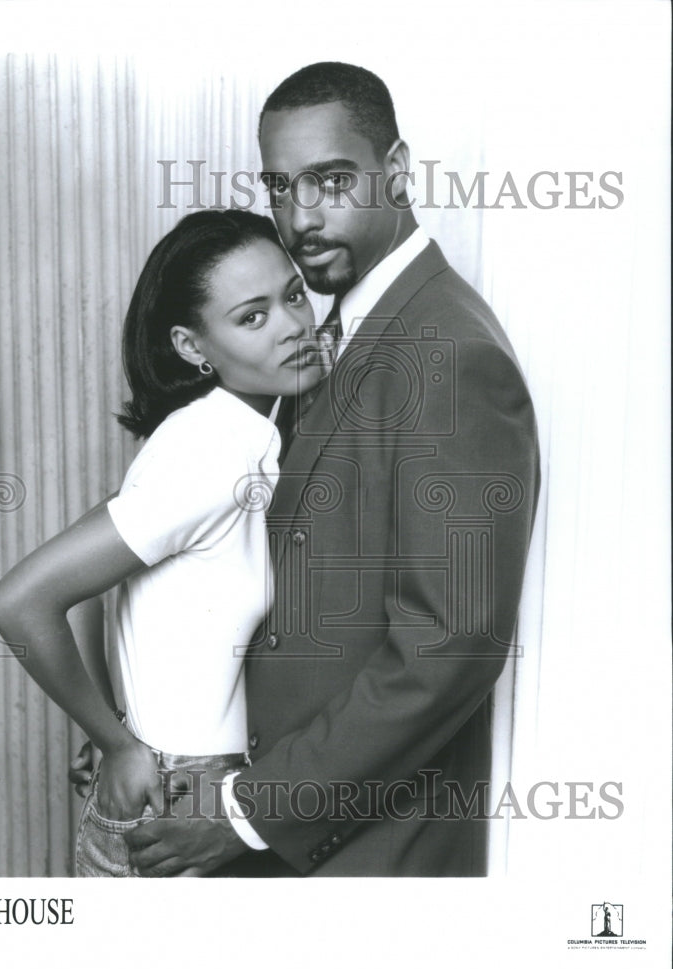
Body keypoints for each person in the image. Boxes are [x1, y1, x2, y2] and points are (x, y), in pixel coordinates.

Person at [124, 62, 541, 877]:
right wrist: (146, 733)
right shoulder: (337, 333)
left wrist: (249, 813)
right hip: (292, 823)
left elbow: (447, 646)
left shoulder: (449, 354)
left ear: (398, 169)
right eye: (280, 188)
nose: (299, 217)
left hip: (371, 851)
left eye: (331, 181)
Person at [0, 209, 323, 876]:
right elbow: (20, 601)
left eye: (292, 295)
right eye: (251, 317)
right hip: (180, 791)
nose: (292, 325)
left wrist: (113, 719)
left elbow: (90, 583)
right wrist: (115, 743)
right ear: (192, 346)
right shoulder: (216, 448)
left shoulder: (215, 431)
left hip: (187, 779)